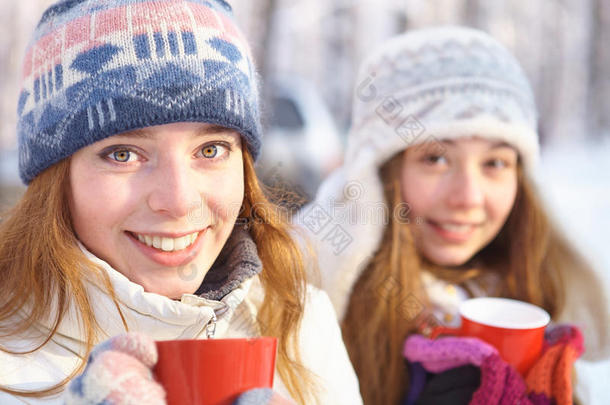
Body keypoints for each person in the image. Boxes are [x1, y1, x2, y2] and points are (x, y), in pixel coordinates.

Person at [0, 1, 363, 404]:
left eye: (210, 150)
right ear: (56, 178)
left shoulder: (301, 323)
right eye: (123, 154)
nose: (178, 201)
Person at [299, 26, 609, 404]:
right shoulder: (302, 305)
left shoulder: (537, 288)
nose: (467, 197)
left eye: (495, 162)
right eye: (436, 158)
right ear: (378, 176)